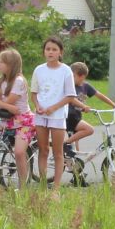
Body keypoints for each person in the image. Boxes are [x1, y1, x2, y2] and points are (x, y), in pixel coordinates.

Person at [30, 35, 78, 186]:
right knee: (43, 150)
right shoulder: (39, 70)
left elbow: (70, 95)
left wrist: (54, 108)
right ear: (44, 51)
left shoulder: (66, 71)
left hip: (57, 116)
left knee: (58, 152)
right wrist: (37, 105)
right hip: (41, 116)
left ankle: (56, 188)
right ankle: (43, 185)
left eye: (54, 49)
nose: (50, 52)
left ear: (60, 52)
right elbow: (34, 93)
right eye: (48, 49)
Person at [0, 47, 32, 185]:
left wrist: (3, 104)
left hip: (23, 122)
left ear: (11, 65)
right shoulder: (0, 81)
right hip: (7, 119)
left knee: (19, 153)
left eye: (2, 62)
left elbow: (6, 101)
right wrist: (10, 108)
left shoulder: (19, 81)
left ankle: (23, 185)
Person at [64, 59, 115, 149]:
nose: (71, 78)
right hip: (68, 117)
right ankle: (63, 144)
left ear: (82, 76)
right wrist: (84, 106)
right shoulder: (69, 86)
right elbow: (71, 99)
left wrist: (113, 105)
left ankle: (68, 154)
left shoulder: (85, 86)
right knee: (89, 129)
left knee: (74, 150)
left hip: (77, 116)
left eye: (73, 76)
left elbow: (99, 95)